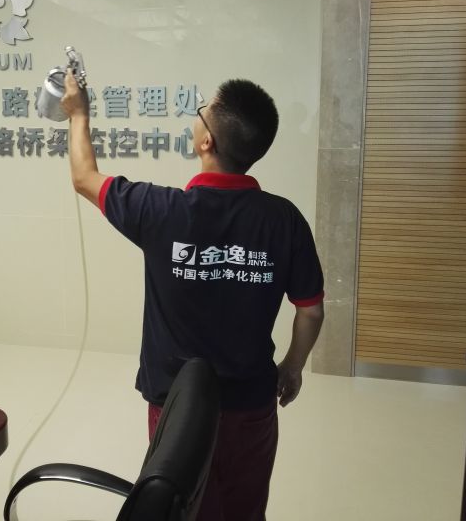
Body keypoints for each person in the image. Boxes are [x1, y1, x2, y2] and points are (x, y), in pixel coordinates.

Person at [61, 68, 325, 521]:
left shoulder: (160, 210)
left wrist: (78, 113)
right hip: (251, 401)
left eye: (201, 111)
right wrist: (293, 367)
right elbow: (311, 311)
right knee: (244, 508)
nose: (196, 114)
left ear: (207, 141)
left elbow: (84, 176)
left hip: (176, 407)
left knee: (179, 503)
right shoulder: (285, 220)